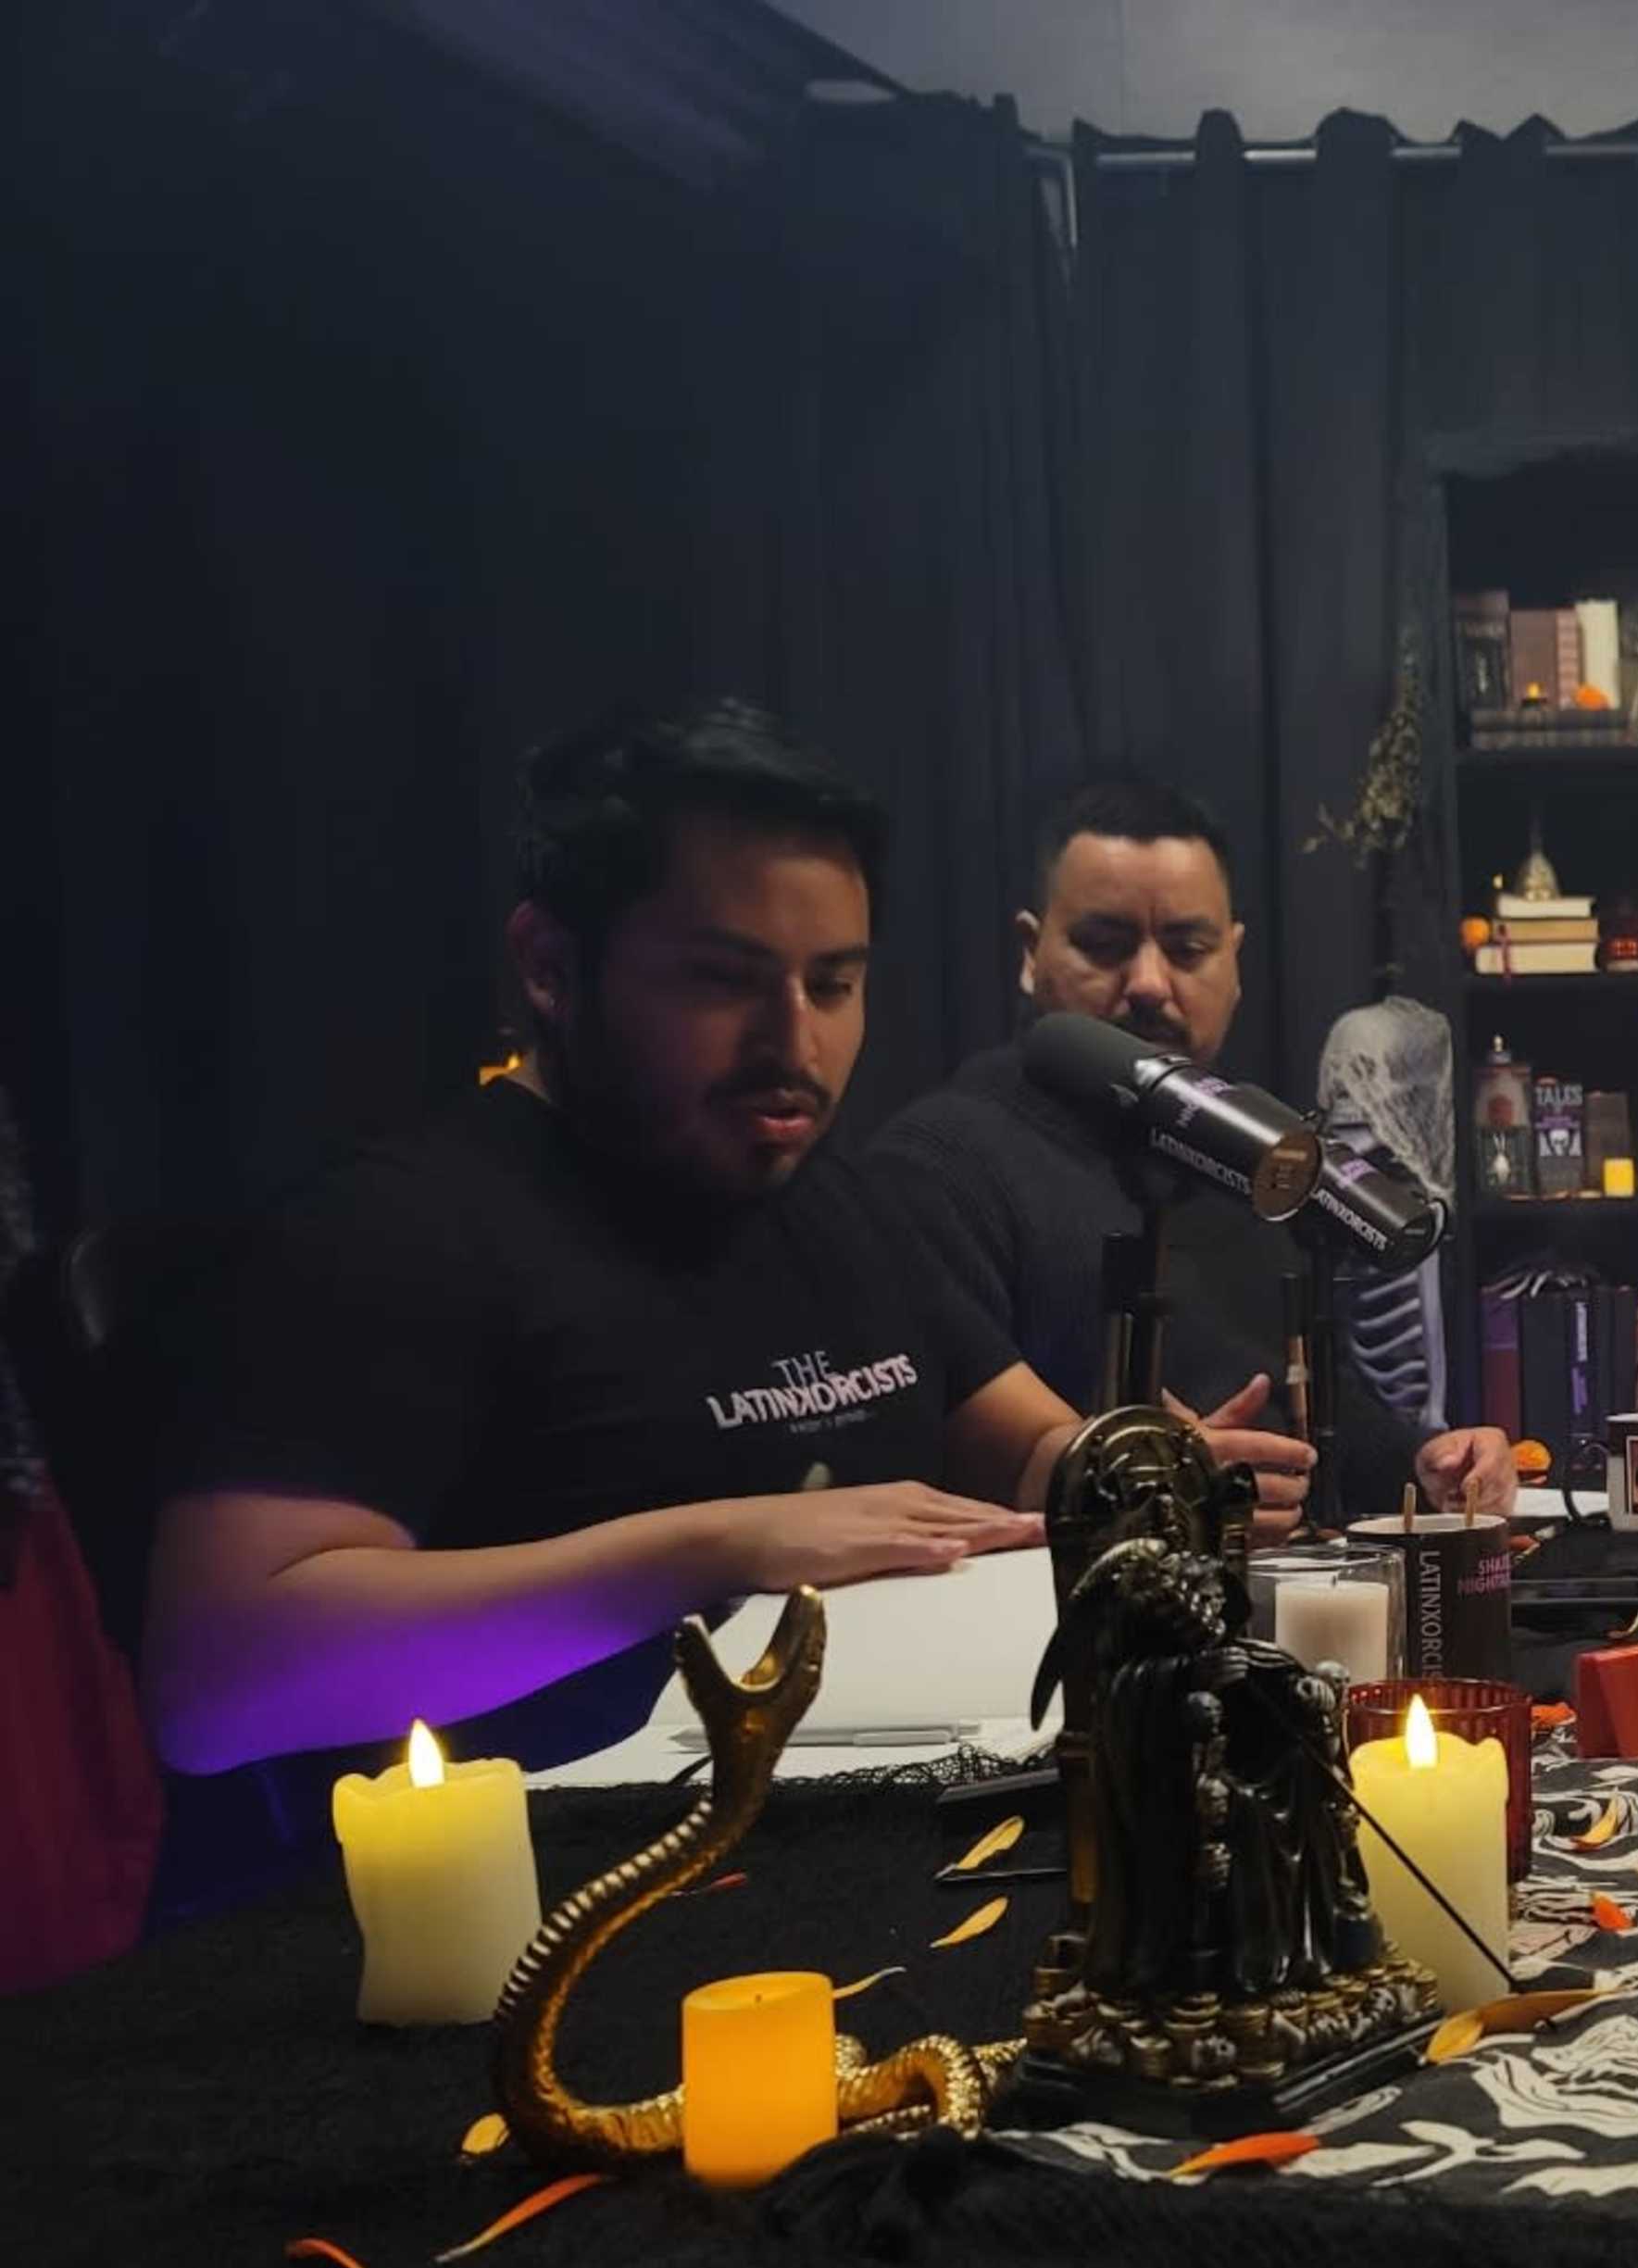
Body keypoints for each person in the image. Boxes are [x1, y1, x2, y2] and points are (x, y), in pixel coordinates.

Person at [139, 701, 1302, 1777]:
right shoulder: (393, 1234)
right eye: (722, 981)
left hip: (876, 1844)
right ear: (550, 966)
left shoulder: (840, 1205)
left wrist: (1133, 1467)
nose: (793, 1041)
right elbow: (223, 1685)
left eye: (833, 984)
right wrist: (712, 1551)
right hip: (565, 1916)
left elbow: (1023, 1450)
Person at [869, 772, 1513, 1520]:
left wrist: (1430, 1464)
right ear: (1028, 950)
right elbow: (961, 1458)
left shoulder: (1251, 1153)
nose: (1147, 982)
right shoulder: (936, 1166)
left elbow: (1323, 1430)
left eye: (1187, 947)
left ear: (1234, 957)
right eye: (1104, 945)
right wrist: (1159, 1481)